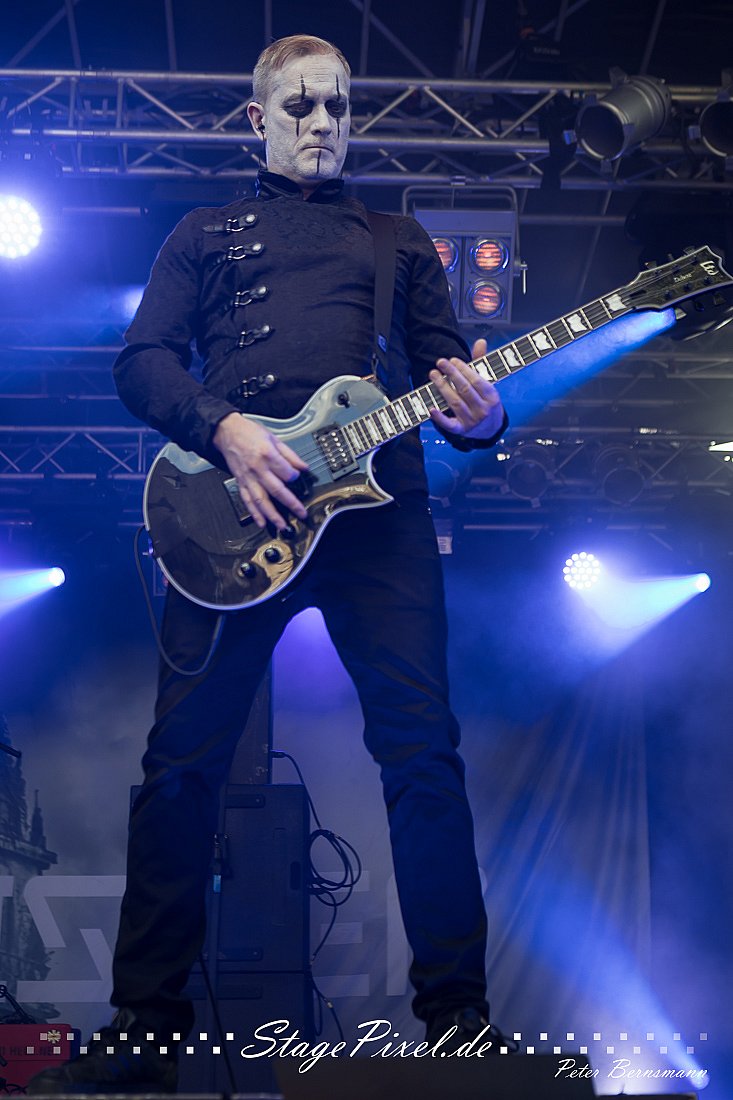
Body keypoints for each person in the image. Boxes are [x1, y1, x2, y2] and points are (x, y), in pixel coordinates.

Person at [29, 34, 507, 1094]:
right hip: (232, 515)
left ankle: (460, 1019)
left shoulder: (398, 239)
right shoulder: (203, 232)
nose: (322, 123)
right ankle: (145, 1029)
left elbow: (454, 383)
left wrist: (482, 415)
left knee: (423, 757)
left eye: (337, 106)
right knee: (181, 767)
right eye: (299, 106)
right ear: (257, 118)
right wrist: (226, 428)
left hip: (377, 516)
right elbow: (141, 362)